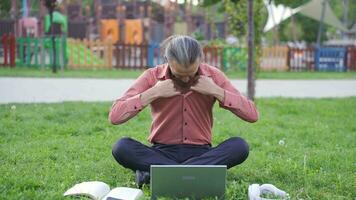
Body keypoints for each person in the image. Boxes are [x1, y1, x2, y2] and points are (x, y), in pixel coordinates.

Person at [109, 35, 259, 188]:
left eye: (191, 74)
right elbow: (115, 116)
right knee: (121, 147)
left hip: (202, 153)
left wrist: (216, 91)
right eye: (179, 75)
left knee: (240, 146)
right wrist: (154, 92)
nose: (186, 79)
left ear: (200, 60)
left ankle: (158, 172)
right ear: (168, 60)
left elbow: (252, 114)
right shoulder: (152, 76)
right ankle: (195, 173)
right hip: (161, 152)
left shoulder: (213, 76)